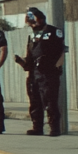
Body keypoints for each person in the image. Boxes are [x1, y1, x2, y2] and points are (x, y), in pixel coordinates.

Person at [15, 7, 66, 137]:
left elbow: (61, 51)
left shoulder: (53, 31)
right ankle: (37, 127)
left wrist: (56, 67)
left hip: (48, 72)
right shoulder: (33, 34)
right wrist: (22, 62)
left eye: (33, 17)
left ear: (41, 17)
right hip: (34, 73)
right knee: (35, 102)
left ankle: (54, 128)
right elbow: (30, 54)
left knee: (50, 101)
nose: (31, 21)